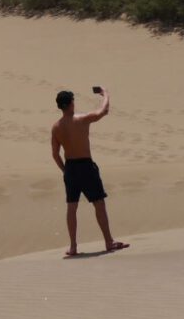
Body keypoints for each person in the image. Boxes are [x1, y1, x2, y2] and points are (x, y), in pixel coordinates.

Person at [51, 87, 129, 257]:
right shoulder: (82, 119)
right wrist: (106, 94)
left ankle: (73, 247)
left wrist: (65, 170)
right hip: (85, 166)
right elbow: (104, 111)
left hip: (71, 168)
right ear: (71, 103)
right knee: (99, 203)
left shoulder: (56, 127)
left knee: (72, 207)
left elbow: (55, 154)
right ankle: (109, 241)